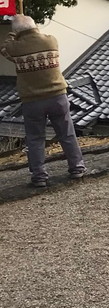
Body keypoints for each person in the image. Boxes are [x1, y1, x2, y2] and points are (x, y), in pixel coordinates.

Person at [1, 14, 85, 187]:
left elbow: (5, 48)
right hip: (58, 96)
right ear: (35, 26)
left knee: (35, 138)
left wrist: (13, 34)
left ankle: (39, 176)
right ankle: (77, 168)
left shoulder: (16, 48)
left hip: (32, 100)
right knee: (67, 133)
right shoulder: (51, 41)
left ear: (17, 32)